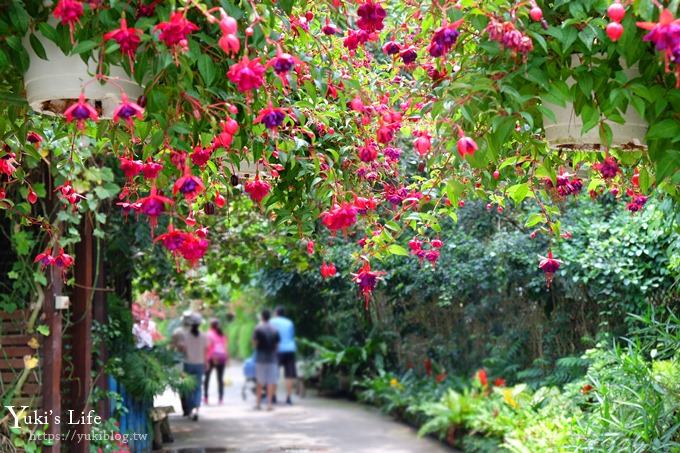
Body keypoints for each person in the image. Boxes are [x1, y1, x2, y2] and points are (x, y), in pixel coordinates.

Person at [171, 311, 207, 421]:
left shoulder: (183, 335)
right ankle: (196, 409)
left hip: (187, 363)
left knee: (187, 387)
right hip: (200, 364)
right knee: (197, 388)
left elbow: (181, 348)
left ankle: (189, 409)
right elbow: (205, 350)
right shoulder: (204, 336)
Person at [252, 309, 280, 411]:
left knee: (259, 381)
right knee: (270, 382)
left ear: (262, 317)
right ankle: (269, 405)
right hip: (272, 358)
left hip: (260, 358)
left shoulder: (258, 328)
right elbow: (277, 345)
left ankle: (258, 403)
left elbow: (255, 343)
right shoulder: (274, 329)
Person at [270, 306, 297, 405]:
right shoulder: (289, 322)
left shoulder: (272, 322)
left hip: (276, 350)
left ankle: (273, 397)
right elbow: (292, 335)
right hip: (290, 349)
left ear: (276, 313)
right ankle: (289, 398)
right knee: (289, 375)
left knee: (274, 374)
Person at [204, 318, 228, 405]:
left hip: (211, 358)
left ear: (210, 325)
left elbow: (207, 347)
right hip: (222, 358)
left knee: (207, 378)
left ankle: (206, 397)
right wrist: (227, 359)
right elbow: (225, 347)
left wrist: (205, 358)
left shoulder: (209, 334)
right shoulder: (222, 334)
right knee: (220, 379)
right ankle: (221, 398)